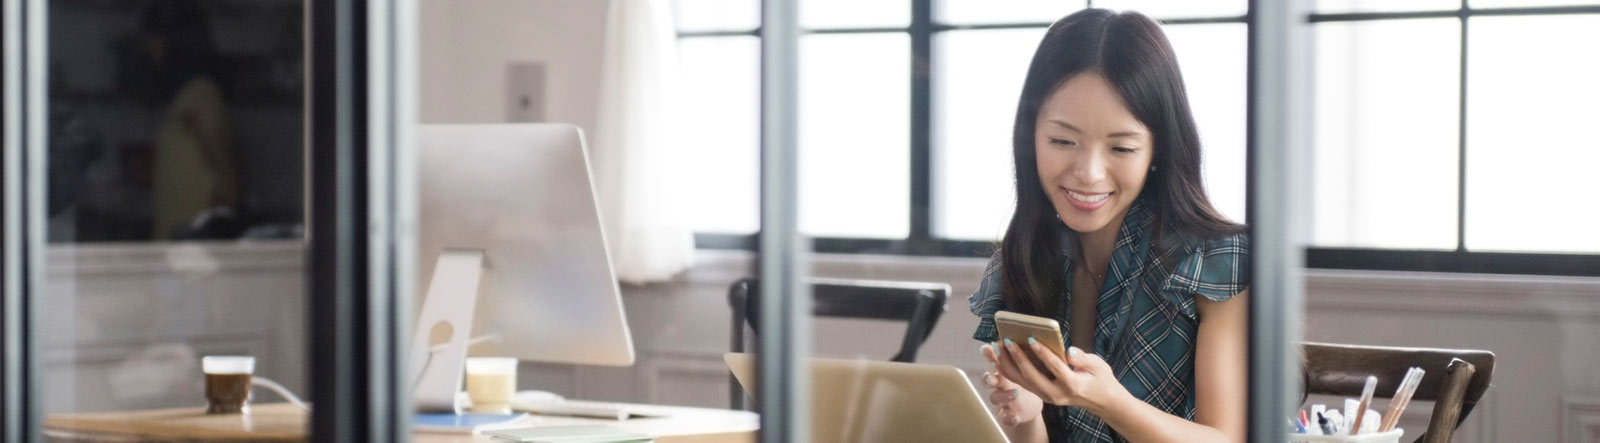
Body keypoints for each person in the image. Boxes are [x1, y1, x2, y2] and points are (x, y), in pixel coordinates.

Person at [969, 9, 1249, 443]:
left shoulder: (1219, 262)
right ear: (1030, 138)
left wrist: (1108, 401)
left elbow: (1227, 439)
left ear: (1158, 149)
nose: (1089, 173)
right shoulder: (1024, 256)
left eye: (1121, 147)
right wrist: (1026, 416)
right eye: (1062, 141)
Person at [141, 0, 239, 240]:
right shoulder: (185, 97)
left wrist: (200, 244)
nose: (150, 46)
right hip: (173, 247)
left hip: (190, 256)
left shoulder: (199, 95)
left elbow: (227, 187)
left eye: (156, 37)